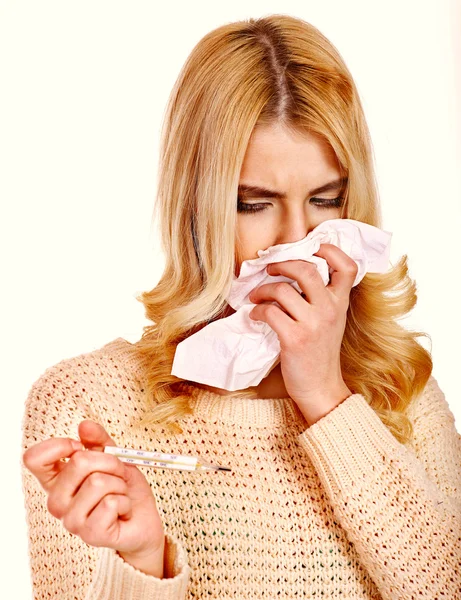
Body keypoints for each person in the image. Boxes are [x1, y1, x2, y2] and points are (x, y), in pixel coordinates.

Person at [21, 14, 461, 600]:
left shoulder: (402, 395)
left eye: (325, 200)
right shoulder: (88, 405)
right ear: (196, 210)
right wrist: (146, 564)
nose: (294, 241)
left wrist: (329, 399)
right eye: (255, 204)